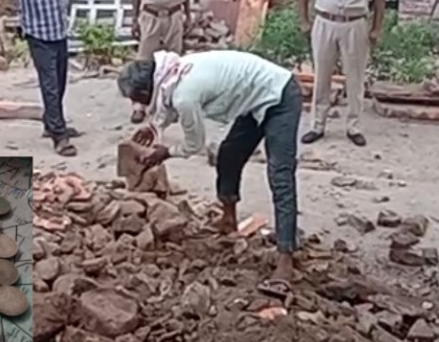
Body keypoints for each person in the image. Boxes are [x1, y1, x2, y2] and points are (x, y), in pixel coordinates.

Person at [117, 50, 302, 298]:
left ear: (144, 92)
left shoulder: (185, 93)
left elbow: (194, 144)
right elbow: (167, 104)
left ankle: (285, 260)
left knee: (280, 175)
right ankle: (228, 220)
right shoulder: (173, 73)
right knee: (228, 156)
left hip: (280, 96)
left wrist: (166, 152)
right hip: (254, 98)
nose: (135, 105)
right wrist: (154, 128)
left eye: (135, 99)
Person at [298, 0, 387, 147]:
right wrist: (304, 20)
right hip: (324, 21)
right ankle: (317, 124)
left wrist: (377, 27)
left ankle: (353, 126)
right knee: (322, 76)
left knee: (355, 77)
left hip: (355, 23)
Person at [0, 0, 79, 157]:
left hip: (59, 27)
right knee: (50, 84)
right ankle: (59, 134)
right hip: (38, 29)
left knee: (60, 79)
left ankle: (51, 121)